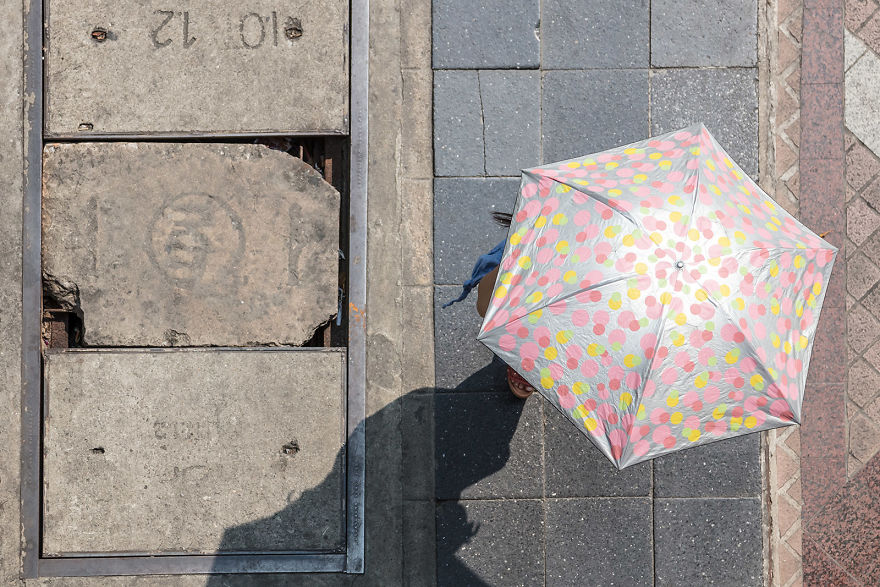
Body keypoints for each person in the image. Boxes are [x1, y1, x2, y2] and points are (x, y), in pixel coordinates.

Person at [443, 212, 536, 400]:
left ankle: (527, 353)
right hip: (529, 266)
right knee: (520, 326)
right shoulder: (523, 256)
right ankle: (525, 354)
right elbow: (484, 308)